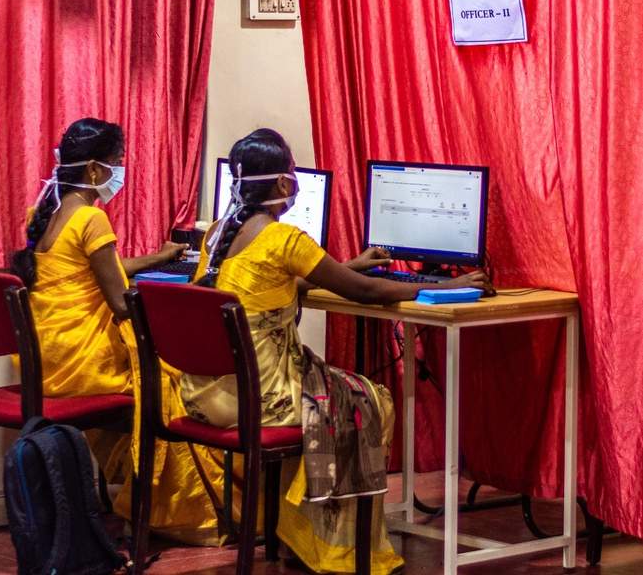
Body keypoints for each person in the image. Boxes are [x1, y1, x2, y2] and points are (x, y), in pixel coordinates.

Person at [183, 128, 492, 574]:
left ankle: (297, 524)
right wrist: (448, 285)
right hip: (261, 398)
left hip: (209, 393)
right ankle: (331, 541)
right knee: (368, 400)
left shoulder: (216, 235)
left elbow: (275, 282)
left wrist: (344, 267)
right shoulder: (284, 238)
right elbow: (365, 291)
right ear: (286, 184)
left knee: (341, 391)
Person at [10, 117, 230, 545]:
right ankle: (169, 512)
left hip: (46, 360)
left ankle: (133, 498)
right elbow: (118, 302)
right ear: (95, 171)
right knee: (168, 383)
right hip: (81, 366)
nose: (120, 170)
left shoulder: (40, 214)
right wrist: (173, 323)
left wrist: (158, 258)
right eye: (118, 162)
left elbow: (98, 269)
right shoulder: (92, 219)